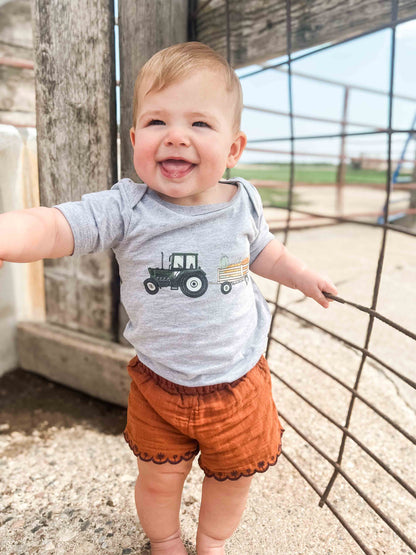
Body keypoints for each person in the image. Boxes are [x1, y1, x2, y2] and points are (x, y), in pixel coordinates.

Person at [0, 42, 338, 554]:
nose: (176, 135)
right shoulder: (126, 208)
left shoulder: (243, 201)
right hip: (159, 386)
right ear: (135, 138)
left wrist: (302, 274)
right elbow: (53, 226)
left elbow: (264, 249)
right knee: (159, 480)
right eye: (157, 122)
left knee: (232, 478)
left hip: (239, 382)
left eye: (200, 124)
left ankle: (212, 543)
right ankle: (164, 541)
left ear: (233, 148)